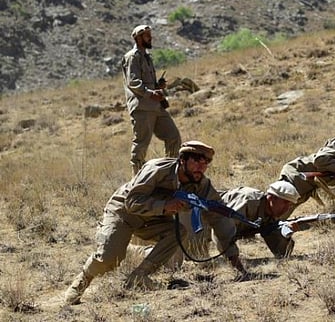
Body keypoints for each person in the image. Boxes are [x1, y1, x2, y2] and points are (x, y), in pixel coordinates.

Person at [64, 141, 248, 305]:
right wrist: (165, 205)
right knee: (109, 259)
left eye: (206, 163)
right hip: (123, 213)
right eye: (197, 161)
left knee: (178, 233)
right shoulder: (157, 169)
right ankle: (82, 280)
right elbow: (132, 201)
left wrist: (233, 258)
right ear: (182, 160)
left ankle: (138, 277)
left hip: (154, 220)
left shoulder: (201, 185)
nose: (202, 167)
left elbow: (219, 216)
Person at [122, 24, 182, 175]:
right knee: (141, 144)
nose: (151, 37)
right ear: (139, 38)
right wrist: (151, 93)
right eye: (147, 35)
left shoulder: (147, 57)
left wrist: (158, 86)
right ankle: (137, 180)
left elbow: (147, 83)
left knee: (173, 136)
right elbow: (133, 82)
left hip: (156, 107)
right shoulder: (132, 57)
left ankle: (171, 174)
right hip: (142, 108)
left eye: (150, 34)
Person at [217, 181, 302, 258]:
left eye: (290, 205)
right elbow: (220, 227)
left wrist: (286, 235)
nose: (286, 209)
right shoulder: (248, 201)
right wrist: (233, 259)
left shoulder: (271, 215)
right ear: (271, 198)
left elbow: (282, 253)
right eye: (285, 203)